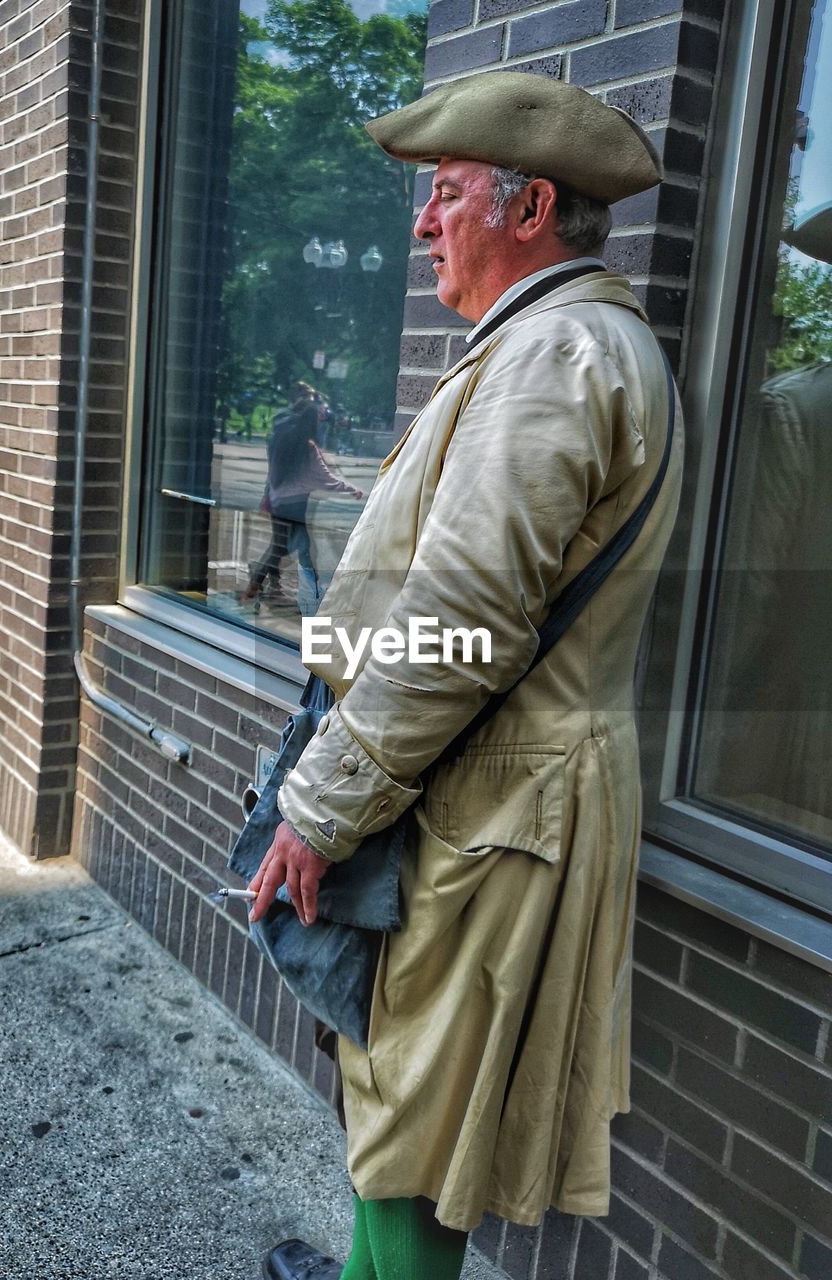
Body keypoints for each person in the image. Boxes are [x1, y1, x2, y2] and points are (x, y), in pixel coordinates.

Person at [248, 70, 684, 1280]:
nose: (424, 223)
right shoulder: (562, 342)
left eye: (445, 194)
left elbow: (463, 619)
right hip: (486, 793)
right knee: (403, 1100)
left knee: (413, 1114)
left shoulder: (551, 351)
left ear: (530, 205)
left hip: (490, 804)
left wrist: (320, 807)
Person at [246, 398, 364, 615]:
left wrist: (270, 495)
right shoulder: (308, 447)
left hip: (278, 501)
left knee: (285, 546)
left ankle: (261, 582)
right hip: (295, 506)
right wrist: (351, 489)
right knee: (297, 548)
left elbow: (274, 472)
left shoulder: (283, 439)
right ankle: (310, 597)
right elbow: (325, 477)